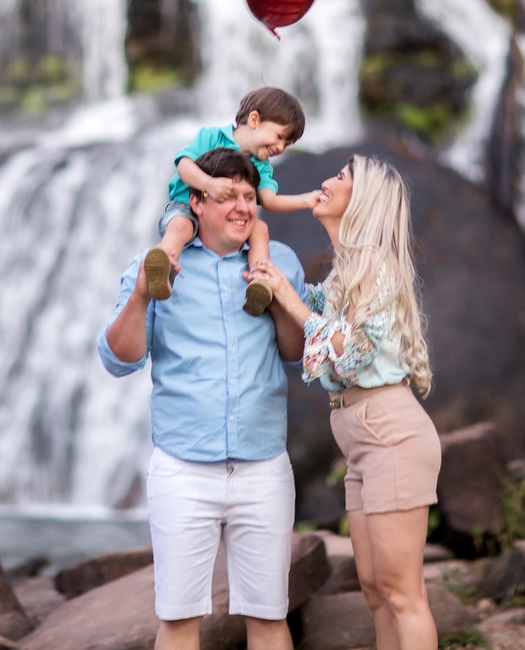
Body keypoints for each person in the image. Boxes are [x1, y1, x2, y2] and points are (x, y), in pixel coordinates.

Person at [98, 147, 307, 650]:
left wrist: (278, 296)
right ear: (196, 202)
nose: (242, 206)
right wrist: (144, 295)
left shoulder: (280, 262)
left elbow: (295, 353)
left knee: (269, 617)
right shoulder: (155, 265)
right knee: (177, 620)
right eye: (228, 195)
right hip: (182, 469)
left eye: (249, 196)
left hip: (263, 468)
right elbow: (119, 359)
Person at [248, 155, 442, 650]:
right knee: (376, 592)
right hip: (362, 443)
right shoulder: (345, 275)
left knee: (403, 594)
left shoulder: (376, 269)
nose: (326, 182)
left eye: (341, 178)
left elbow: (352, 354)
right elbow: (317, 311)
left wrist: (289, 299)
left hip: (391, 436)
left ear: (363, 202)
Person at [143, 86, 320, 317]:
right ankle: (162, 269)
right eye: (279, 137)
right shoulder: (211, 137)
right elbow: (183, 165)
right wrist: (209, 185)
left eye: (287, 144)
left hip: (230, 220)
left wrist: (305, 201)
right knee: (180, 226)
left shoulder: (262, 166)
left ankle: (259, 281)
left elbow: (268, 200)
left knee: (260, 229)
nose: (280, 147)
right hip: (187, 207)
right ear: (254, 119)